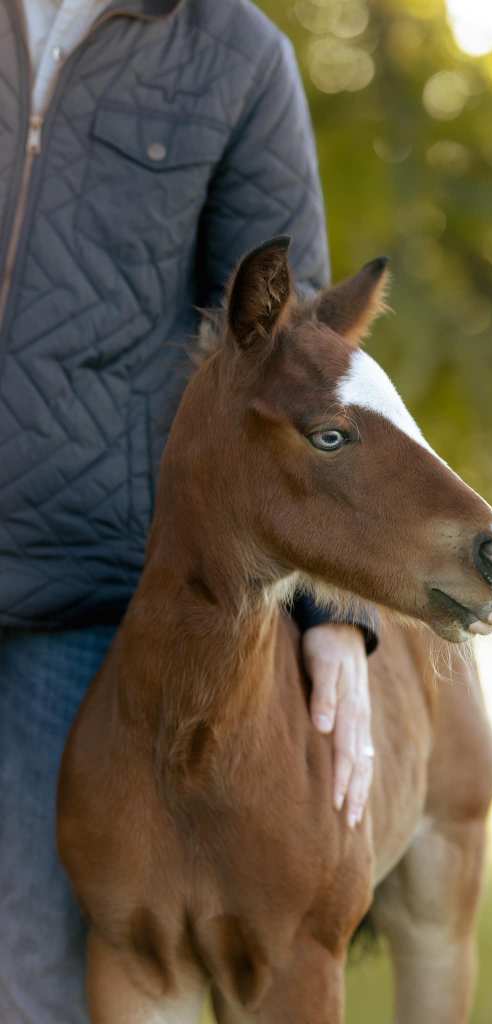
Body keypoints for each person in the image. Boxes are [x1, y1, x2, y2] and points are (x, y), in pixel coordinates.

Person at [0, 1, 377, 1019]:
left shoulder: (236, 55)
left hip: (84, 602)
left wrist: (336, 609)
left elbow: (295, 362)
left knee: (25, 978)